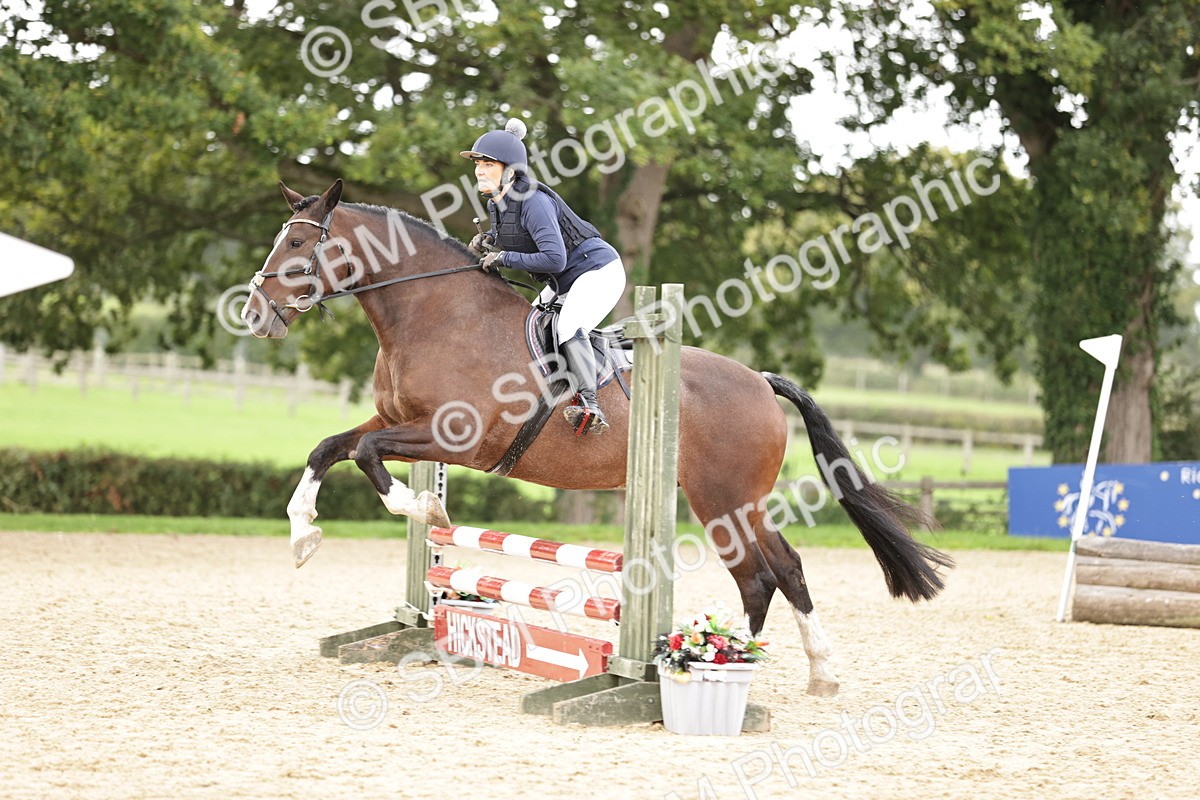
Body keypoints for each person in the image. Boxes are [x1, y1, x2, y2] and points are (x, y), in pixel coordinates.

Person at [461, 118, 626, 437]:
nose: (480, 170)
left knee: (567, 326)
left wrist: (504, 257)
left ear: (510, 170)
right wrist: (490, 241)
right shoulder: (498, 201)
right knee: (530, 324)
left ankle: (591, 405)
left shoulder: (533, 201)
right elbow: (514, 236)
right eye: (478, 163)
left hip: (598, 272)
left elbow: (555, 257)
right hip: (564, 281)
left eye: (488, 164)